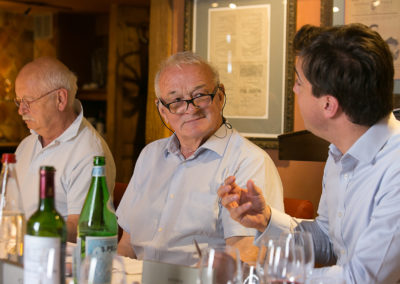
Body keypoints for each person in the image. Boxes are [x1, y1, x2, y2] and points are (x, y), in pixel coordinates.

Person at [218, 23, 400, 283]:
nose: (294, 89)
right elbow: (327, 240)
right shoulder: (340, 151)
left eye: (299, 82)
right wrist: (266, 220)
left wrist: (277, 276)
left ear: (328, 105)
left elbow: (363, 278)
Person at [116, 51, 284, 265]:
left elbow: (247, 253)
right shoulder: (150, 155)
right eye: (176, 101)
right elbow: (127, 244)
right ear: (162, 110)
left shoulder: (249, 161)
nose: (190, 109)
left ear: (220, 97)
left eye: (200, 96)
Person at [14, 57, 116, 242]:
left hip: (54, 261)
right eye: (19, 101)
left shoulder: (89, 153)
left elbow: (81, 227)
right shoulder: (27, 144)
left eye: (28, 101)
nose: (21, 110)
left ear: (60, 99)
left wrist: (24, 231)